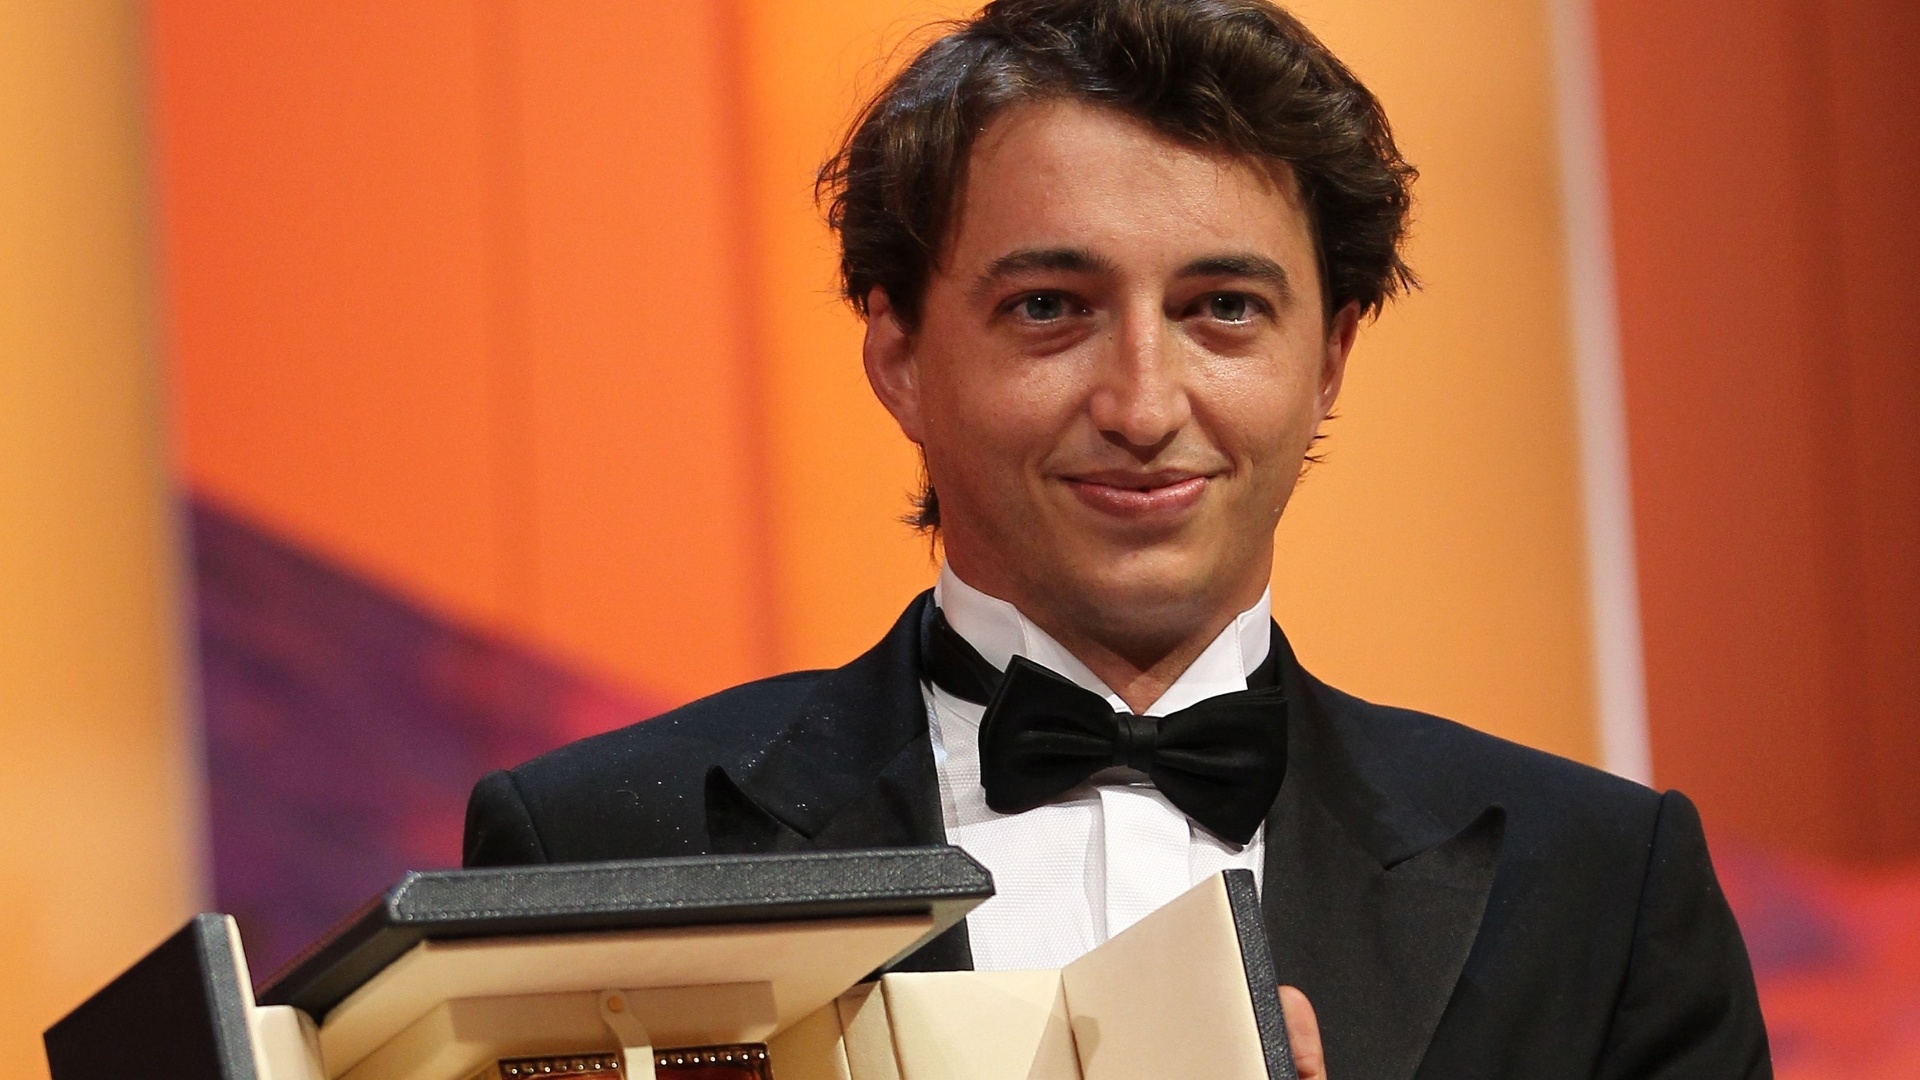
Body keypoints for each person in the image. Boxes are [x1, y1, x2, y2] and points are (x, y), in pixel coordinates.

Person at [464, 1, 1770, 1076]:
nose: (1144, 405)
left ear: (1331, 358)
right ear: (900, 355)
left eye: (1223, 309)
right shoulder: (601, 847)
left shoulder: (1603, 895)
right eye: (1050, 307)